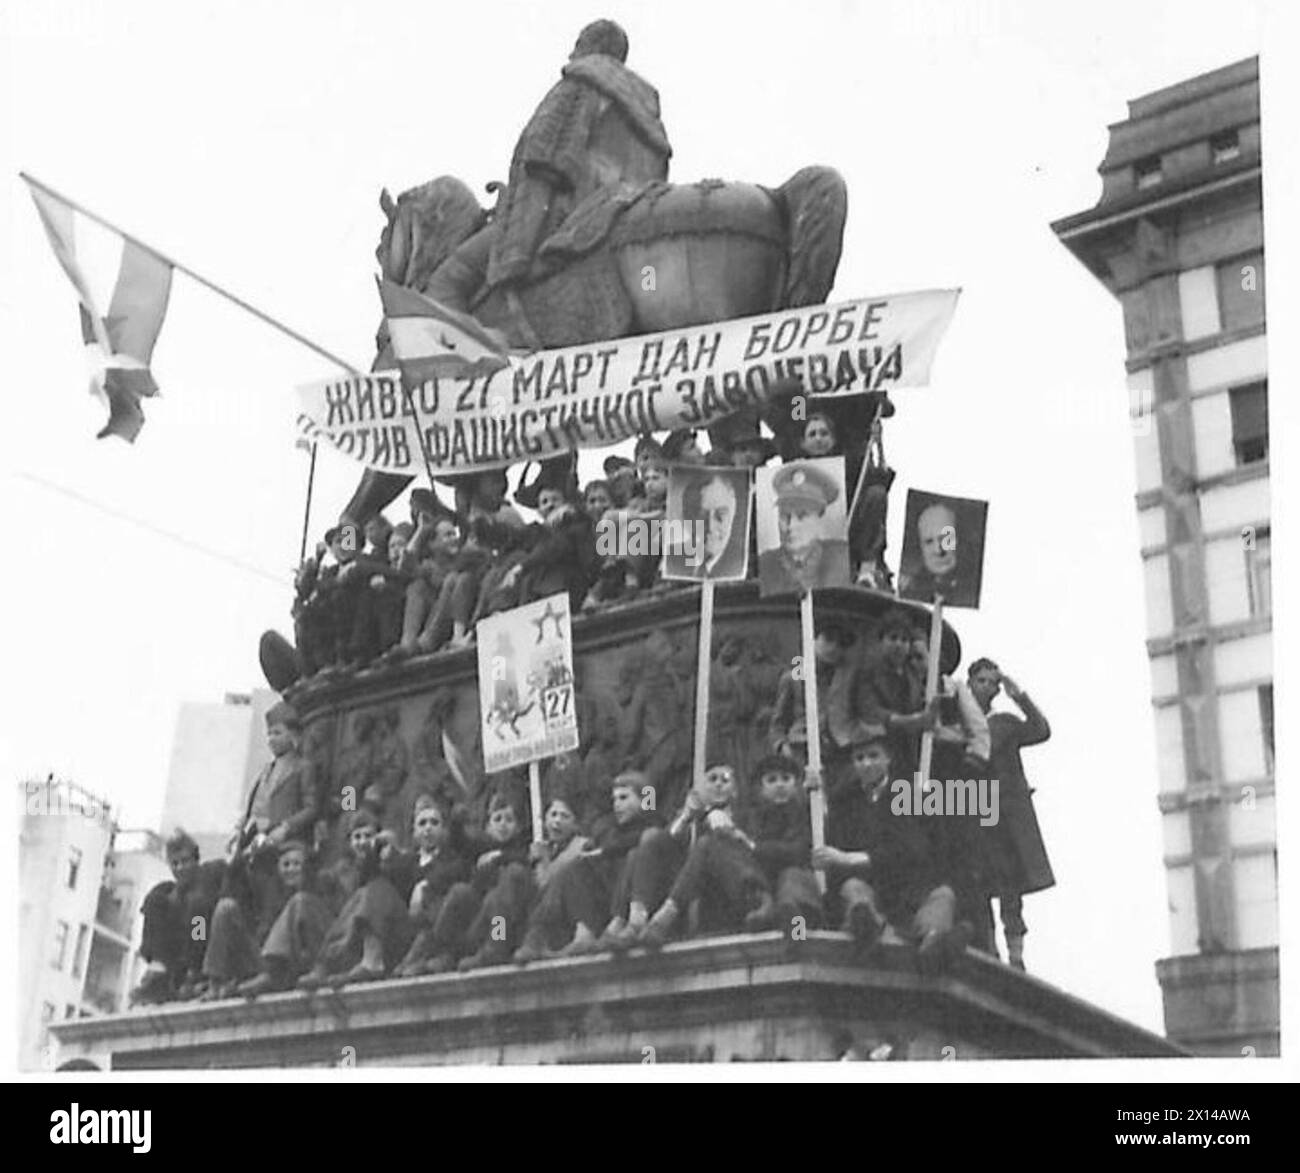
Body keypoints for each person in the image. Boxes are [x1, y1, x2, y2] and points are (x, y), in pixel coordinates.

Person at [486, 19, 671, 292]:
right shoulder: (651, 116)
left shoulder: (580, 83)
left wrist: (516, 254)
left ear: (592, 46)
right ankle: (650, 288)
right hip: (630, 208)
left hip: (572, 210)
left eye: (577, 46)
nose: (571, 55)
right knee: (649, 279)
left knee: (454, 274)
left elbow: (542, 160)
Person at [814, 729, 971, 969]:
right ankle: (869, 927)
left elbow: (913, 850)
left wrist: (853, 858)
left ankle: (934, 941)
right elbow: (831, 851)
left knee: (942, 896)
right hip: (869, 887)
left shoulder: (908, 796)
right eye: (860, 758)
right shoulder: (844, 804)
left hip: (908, 888)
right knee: (854, 892)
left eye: (873, 756)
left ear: (888, 759)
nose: (866, 763)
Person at [967, 658, 1055, 970]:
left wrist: (1020, 696)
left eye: (993, 683)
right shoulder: (961, 721)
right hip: (975, 808)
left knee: (1010, 883)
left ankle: (1016, 954)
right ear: (970, 683)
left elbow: (1041, 730)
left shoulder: (1003, 722)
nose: (988, 688)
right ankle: (988, 949)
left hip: (1007, 811)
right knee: (979, 881)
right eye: (982, 681)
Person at [637, 763, 772, 948]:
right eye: (712, 779)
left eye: (724, 780)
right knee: (648, 842)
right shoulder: (692, 823)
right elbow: (665, 847)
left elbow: (759, 853)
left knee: (706, 844)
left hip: (732, 894)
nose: (718, 784)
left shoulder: (750, 817)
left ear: (735, 791)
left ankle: (667, 913)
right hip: (696, 901)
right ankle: (636, 918)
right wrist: (686, 816)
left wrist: (732, 832)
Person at [551, 770, 659, 956]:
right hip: (610, 897)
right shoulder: (612, 830)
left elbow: (646, 836)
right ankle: (583, 931)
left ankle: (623, 923)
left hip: (641, 902)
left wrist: (603, 851)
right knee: (574, 868)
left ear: (644, 799)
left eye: (624, 798)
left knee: (634, 854)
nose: (617, 805)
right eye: (615, 799)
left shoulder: (654, 824)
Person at [132, 830, 227, 1004]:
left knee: (197, 906)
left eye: (185, 861)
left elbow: (205, 911)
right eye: (175, 864)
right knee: (156, 898)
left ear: (195, 859)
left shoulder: (210, 874)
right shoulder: (170, 892)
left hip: (204, 943)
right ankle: (159, 969)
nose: (180, 868)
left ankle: (195, 973)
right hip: (178, 951)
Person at [743, 756, 823, 932]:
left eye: (786, 779)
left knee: (791, 878)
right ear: (761, 788)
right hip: (766, 885)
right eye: (771, 780)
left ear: (796, 784)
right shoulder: (753, 818)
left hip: (798, 885)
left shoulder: (806, 813)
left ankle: (796, 930)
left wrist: (759, 849)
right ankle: (780, 919)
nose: (780, 785)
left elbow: (799, 852)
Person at [757, 460, 851, 595]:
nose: (790, 526)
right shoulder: (765, 564)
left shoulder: (840, 558)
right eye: (785, 516)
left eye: (802, 516)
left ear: (820, 519)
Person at [898, 500, 969, 604]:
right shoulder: (909, 592)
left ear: (959, 539)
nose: (938, 550)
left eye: (946, 539)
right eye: (928, 542)